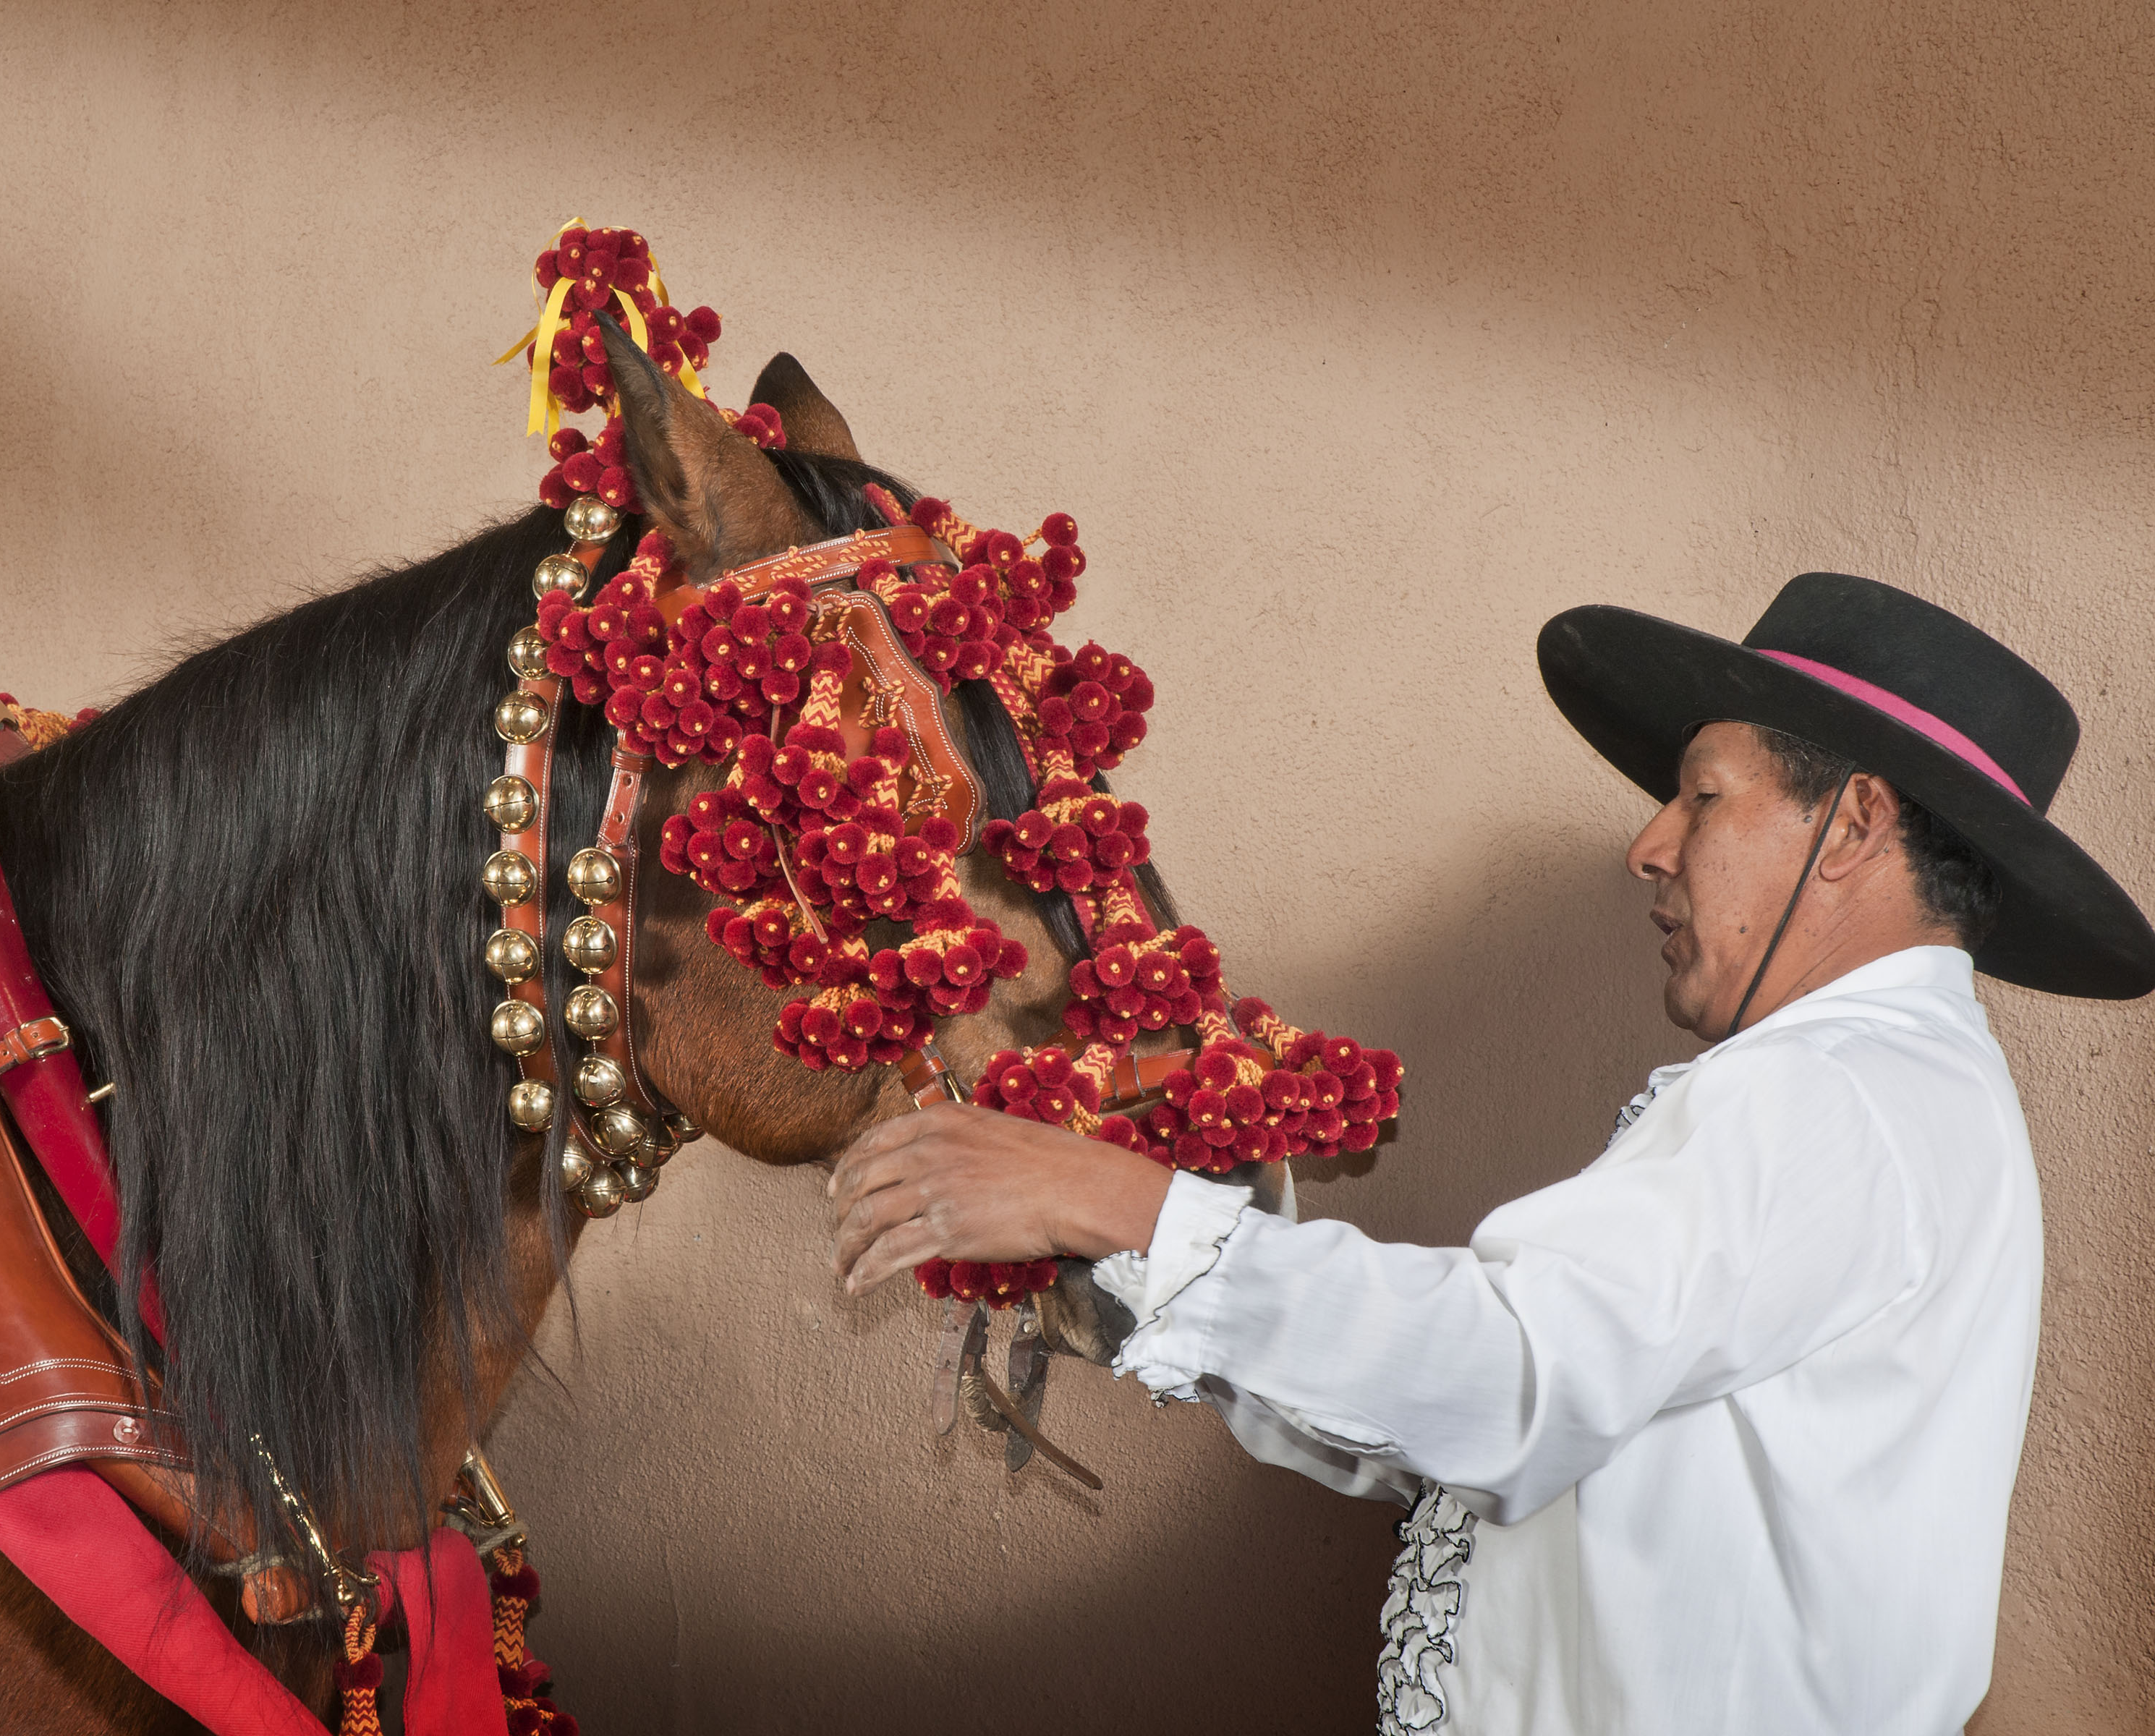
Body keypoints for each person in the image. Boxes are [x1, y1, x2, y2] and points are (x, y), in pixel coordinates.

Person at [828, 574, 2155, 1736]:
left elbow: (1507, 1375)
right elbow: (1477, 1430)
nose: (1649, 845)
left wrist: (1113, 1198)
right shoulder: (1901, 1088)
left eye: (1701, 796)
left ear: (1854, 825)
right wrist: (1129, 1243)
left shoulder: (1833, 1094)